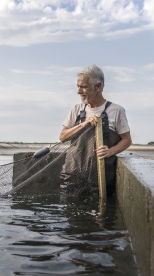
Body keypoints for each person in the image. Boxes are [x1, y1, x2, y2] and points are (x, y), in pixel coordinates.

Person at [59, 65, 131, 196]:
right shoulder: (76, 109)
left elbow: (126, 140)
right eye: (78, 86)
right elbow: (63, 137)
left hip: (100, 180)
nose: (79, 91)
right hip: (72, 176)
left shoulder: (116, 110)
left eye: (83, 87)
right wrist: (84, 124)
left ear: (98, 86)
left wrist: (110, 151)